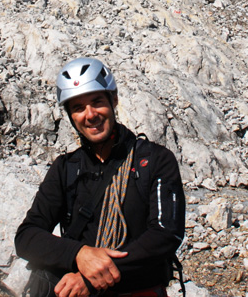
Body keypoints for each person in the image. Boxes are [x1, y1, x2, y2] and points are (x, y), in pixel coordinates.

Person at [16, 57, 185, 297]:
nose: (90, 114)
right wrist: (78, 254)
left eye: (97, 102)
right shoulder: (67, 168)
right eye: (78, 108)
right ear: (71, 116)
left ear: (113, 100)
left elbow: (166, 234)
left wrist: (93, 277)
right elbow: (26, 236)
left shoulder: (154, 161)